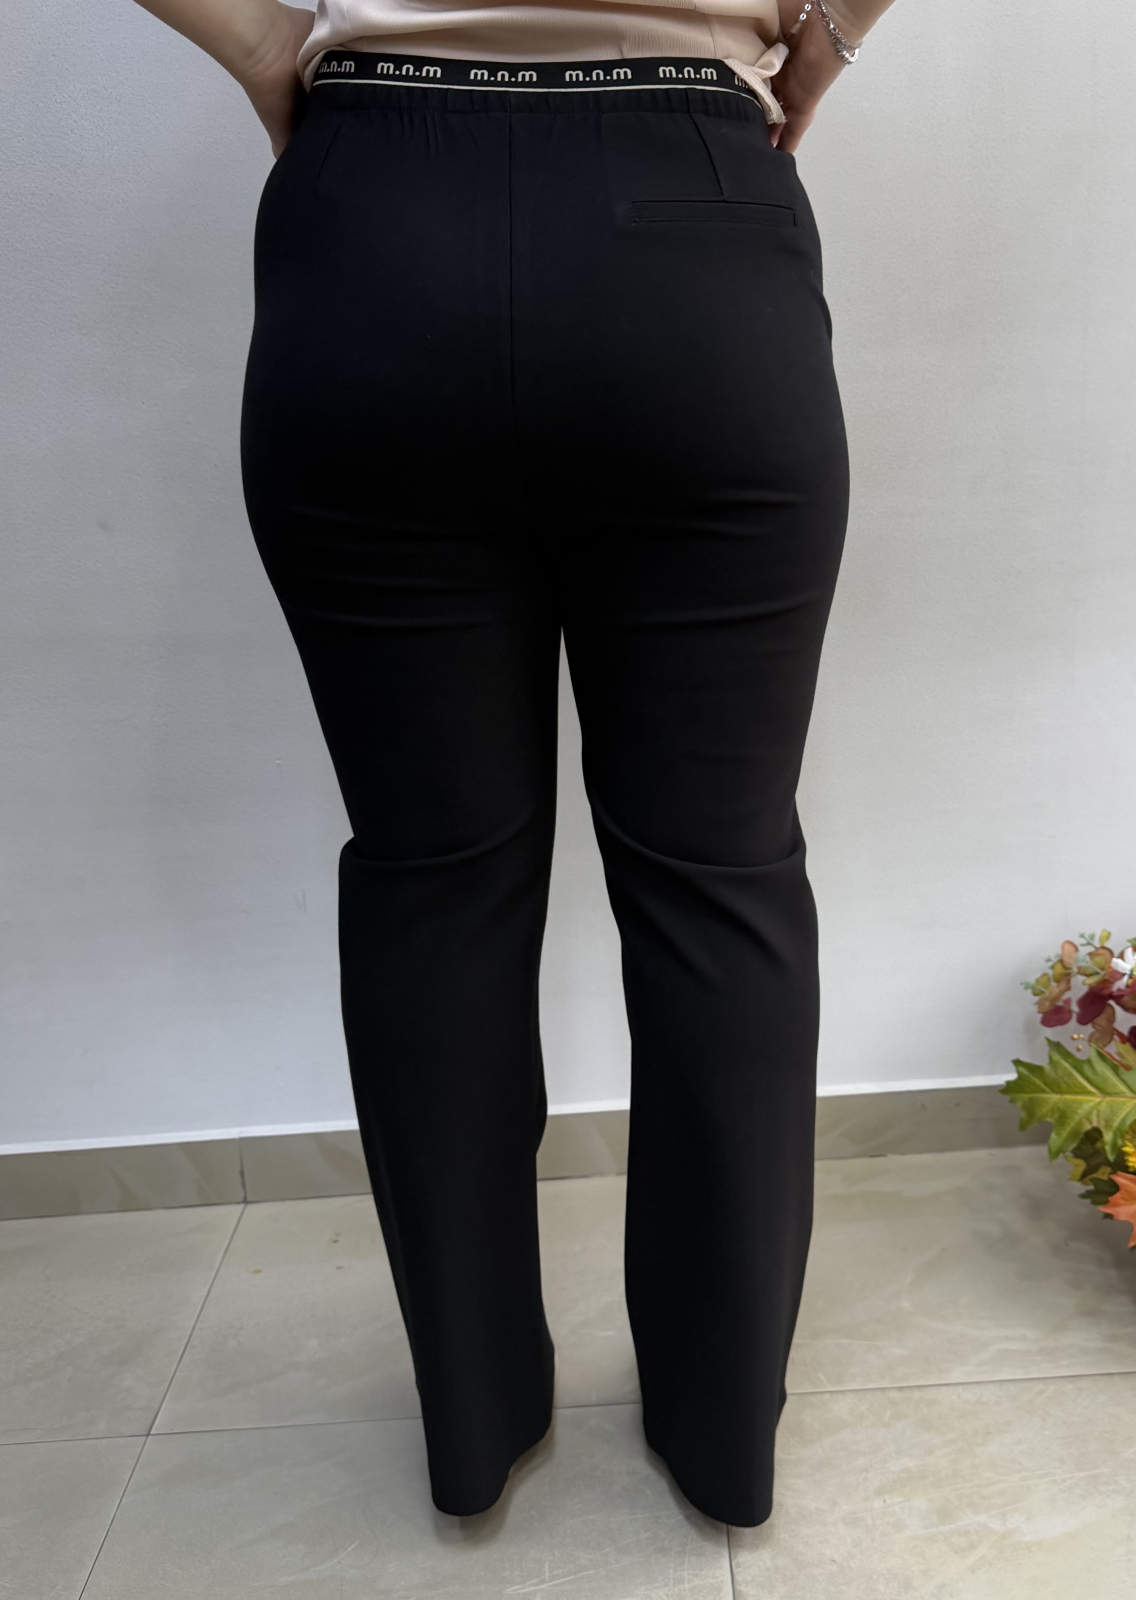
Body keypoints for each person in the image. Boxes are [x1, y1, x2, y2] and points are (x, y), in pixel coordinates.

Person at [133, 0, 897, 1529]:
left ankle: (475, 1429)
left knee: (436, 882)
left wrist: (269, 50)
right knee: (719, 878)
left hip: (372, 226)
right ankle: (721, 1435)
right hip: (692, 214)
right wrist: (822, 38)